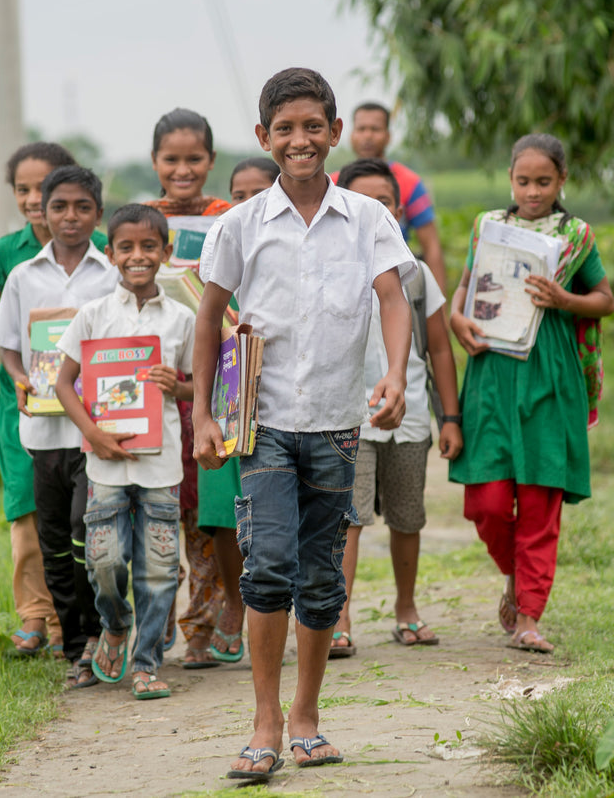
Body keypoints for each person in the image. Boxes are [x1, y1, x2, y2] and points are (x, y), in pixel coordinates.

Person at [193, 68, 415, 781]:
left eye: (312, 127)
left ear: (334, 133)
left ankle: (306, 720)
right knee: (269, 569)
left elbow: (393, 295)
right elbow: (207, 316)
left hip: (336, 423)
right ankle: (262, 723)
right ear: (264, 137)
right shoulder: (239, 224)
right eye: (284, 130)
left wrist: (393, 373)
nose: (300, 141)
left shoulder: (368, 219)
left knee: (322, 580)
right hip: (262, 426)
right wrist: (201, 412)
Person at [448, 133, 614, 654]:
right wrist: (456, 318)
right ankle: (519, 580)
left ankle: (528, 618)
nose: (533, 191)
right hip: (492, 375)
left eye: (544, 182)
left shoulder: (576, 236)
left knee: (540, 503)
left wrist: (565, 298)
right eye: (524, 181)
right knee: (487, 502)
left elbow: (603, 300)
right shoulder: (488, 227)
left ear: (562, 180)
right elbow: (466, 286)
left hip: (550, 375)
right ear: (510, 180)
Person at [54, 203, 194, 700]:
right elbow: (64, 381)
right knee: (104, 561)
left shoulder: (181, 318)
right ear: (110, 254)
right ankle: (115, 625)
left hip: (161, 465)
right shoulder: (93, 316)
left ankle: (147, 660)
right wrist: (92, 433)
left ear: (166, 252)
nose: (139, 256)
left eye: (149, 247)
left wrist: (179, 387)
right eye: (127, 247)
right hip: (106, 463)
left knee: (157, 568)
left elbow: (202, 385)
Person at [0, 165, 120, 687]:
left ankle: (98, 634)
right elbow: (9, 348)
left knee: (91, 533)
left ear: (98, 215)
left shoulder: (110, 273)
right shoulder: (23, 277)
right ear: (42, 209)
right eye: (59, 206)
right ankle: (73, 644)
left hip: (96, 429)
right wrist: (20, 379)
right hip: (42, 432)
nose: (69, 217)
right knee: (53, 539)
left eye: (82, 207)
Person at [0, 142, 95, 659]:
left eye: (46, 188)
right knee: (27, 509)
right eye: (23, 189)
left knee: (82, 516)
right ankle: (35, 615)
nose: (36, 200)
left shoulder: (103, 248)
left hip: (88, 407)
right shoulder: (6, 255)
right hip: (23, 399)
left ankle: (74, 623)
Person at [329, 158, 463, 659]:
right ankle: (338, 620)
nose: (373, 210)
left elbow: (442, 349)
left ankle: (406, 610)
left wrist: (449, 417)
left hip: (409, 423)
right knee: (348, 518)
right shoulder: (332, 269)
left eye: (382, 201)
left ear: (399, 209)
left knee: (408, 518)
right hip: (347, 417)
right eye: (361, 201)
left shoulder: (417, 274)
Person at [143, 108, 232, 669]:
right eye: (171, 160)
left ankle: (201, 626)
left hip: (209, 385)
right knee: (152, 512)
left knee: (205, 518)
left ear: (210, 161)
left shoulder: (229, 217)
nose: (182, 170)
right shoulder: (138, 221)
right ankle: (151, 625)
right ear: (154, 162)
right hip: (149, 391)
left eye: (193, 159)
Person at [194, 154, 284, 667]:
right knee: (222, 510)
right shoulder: (219, 251)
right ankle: (234, 599)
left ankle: (267, 609)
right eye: (238, 194)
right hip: (225, 404)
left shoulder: (284, 249)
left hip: (273, 403)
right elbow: (200, 324)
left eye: (258, 193)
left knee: (271, 513)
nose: (248, 202)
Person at [344, 102, 448, 292]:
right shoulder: (334, 184)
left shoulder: (410, 183)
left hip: (398, 283)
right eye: (361, 129)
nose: (367, 136)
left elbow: (431, 246)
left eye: (375, 129)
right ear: (352, 135)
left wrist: (438, 303)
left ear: (388, 136)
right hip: (348, 285)